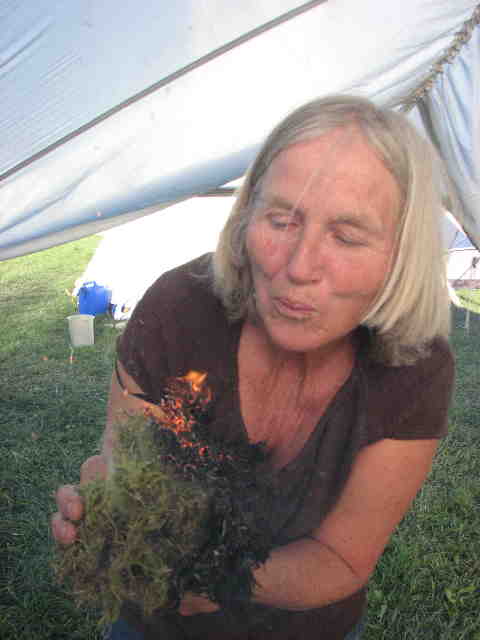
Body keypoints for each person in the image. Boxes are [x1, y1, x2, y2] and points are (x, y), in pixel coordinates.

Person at [52, 95, 455, 640]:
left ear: (401, 254)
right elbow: (125, 463)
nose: (299, 267)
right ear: (245, 217)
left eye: (346, 235)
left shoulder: (415, 368)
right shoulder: (178, 310)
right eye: (281, 220)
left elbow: (340, 558)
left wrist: (214, 576)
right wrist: (105, 503)